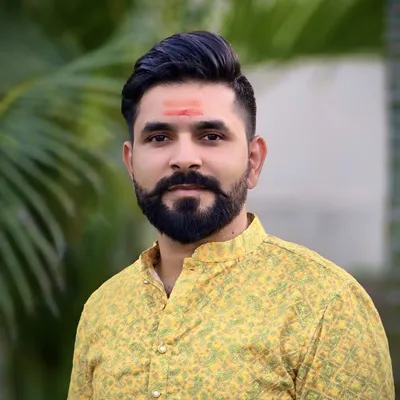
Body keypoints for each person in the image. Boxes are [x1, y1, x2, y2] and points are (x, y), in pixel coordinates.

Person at [68, 31, 395, 399]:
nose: (185, 158)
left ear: (253, 161)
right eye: (159, 137)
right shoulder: (104, 309)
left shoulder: (324, 306)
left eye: (210, 136)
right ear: (130, 163)